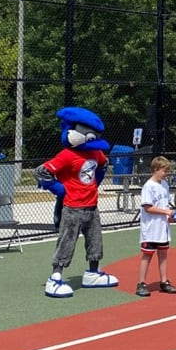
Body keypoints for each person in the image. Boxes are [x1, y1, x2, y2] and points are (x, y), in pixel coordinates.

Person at [35, 107, 119, 298]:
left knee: (95, 241)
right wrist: (60, 190)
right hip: (72, 207)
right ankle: (55, 277)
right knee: (66, 242)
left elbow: (103, 164)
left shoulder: (95, 153)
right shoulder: (66, 155)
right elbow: (41, 172)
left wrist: (96, 181)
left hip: (92, 206)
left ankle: (93, 273)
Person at [136, 156, 176, 297]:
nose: (166, 173)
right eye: (164, 170)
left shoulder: (164, 185)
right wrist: (166, 212)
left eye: (167, 171)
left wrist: (169, 216)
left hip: (162, 229)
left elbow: (165, 204)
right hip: (151, 229)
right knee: (147, 255)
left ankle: (164, 281)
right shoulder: (148, 186)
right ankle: (141, 283)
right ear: (155, 170)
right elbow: (148, 207)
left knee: (163, 254)